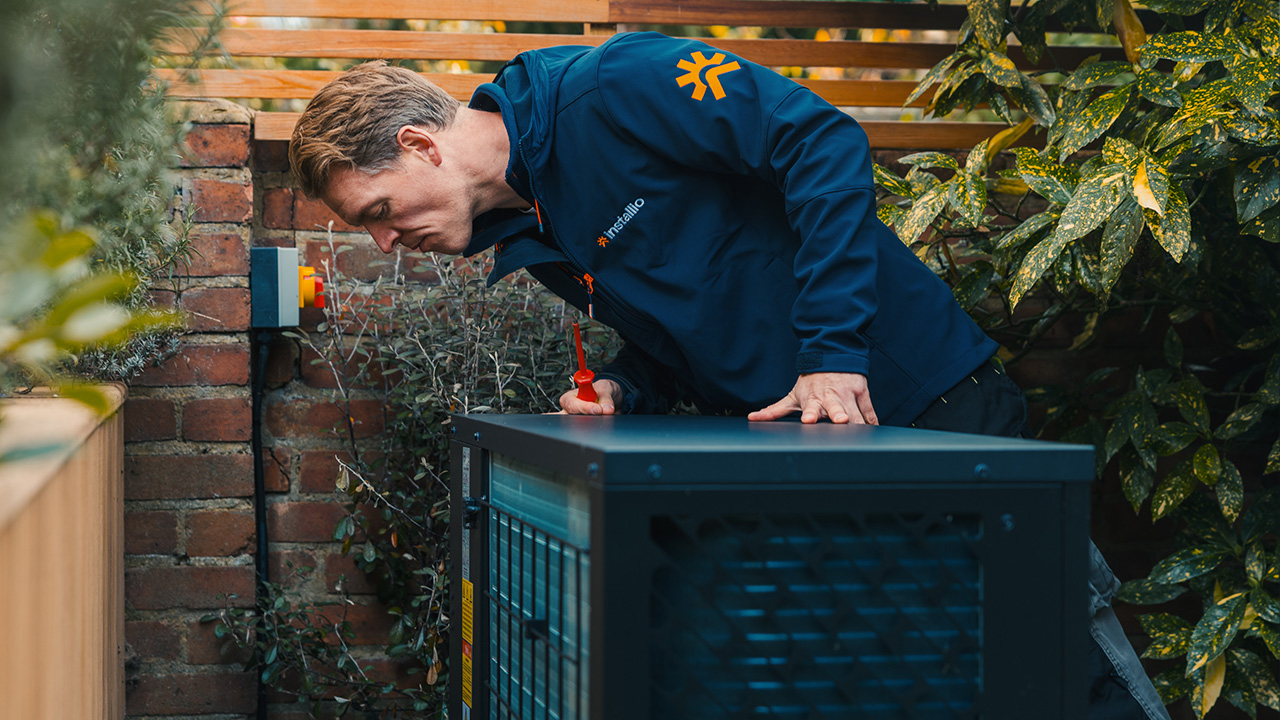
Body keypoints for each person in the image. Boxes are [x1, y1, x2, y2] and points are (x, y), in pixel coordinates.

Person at [288, 32, 1168, 719]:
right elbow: (687, 318)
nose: (384, 243)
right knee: (910, 676)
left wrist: (831, 352)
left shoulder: (618, 86)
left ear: (419, 145)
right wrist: (630, 385)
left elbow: (820, 141)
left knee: (1052, 658)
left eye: (380, 211)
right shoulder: (529, 225)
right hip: (810, 451)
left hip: (927, 403)